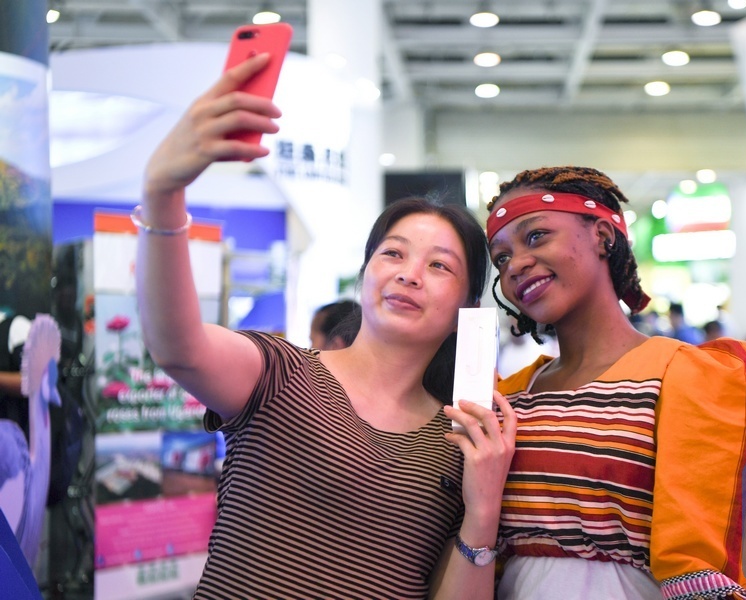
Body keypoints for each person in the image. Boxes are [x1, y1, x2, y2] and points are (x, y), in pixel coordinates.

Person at [135, 54, 516, 599]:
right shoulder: (281, 371)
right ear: (365, 275)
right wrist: (162, 194)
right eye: (393, 253)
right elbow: (178, 346)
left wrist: (482, 512)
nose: (409, 274)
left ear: (467, 306)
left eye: (439, 266)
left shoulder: (461, 440)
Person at [486, 166, 746, 600]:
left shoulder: (684, 374)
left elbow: (702, 564)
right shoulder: (510, 397)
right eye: (501, 258)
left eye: (537, 236)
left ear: (602, 235)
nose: (516, 265)